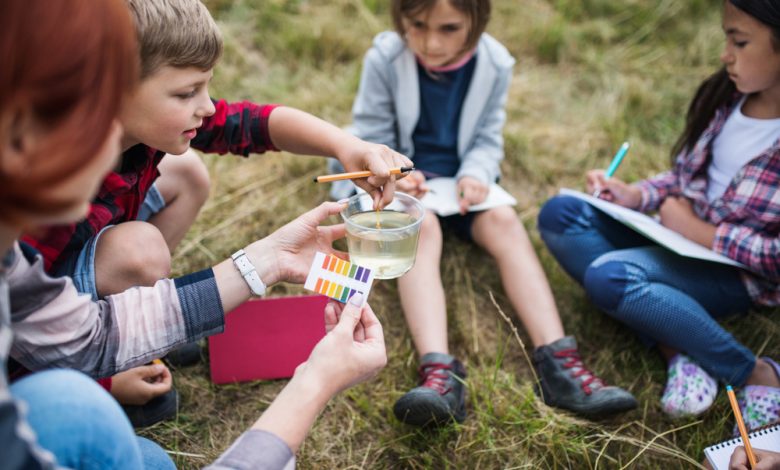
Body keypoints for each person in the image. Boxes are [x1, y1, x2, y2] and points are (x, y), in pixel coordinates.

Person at [2, 2, 387, 467]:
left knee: (186, 172)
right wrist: (104, 382)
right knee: (139, 252)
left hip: (60, 313)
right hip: (41, 343)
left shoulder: (22, 235)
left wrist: (343, 146)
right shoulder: (31, 231)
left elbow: (248, 122)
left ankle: (144, 333)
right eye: (187, 93)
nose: (206, 107)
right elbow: (36, 340)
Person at [335, 0, 637, 426]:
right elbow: (370, 132)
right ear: (400, 17)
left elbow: (487, 138)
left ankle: (562, 367)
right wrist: (399, 173)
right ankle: (439, 373)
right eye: (416, 25)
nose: (429, 41)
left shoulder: (495, 62)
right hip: (405, 184)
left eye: (448, 28)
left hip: (460, 185)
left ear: (477, 21)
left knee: (505, 222)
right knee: (422, 230)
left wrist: (477, 174)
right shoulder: (386, 56)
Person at [538, 0, 780, 427]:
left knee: (610, 276)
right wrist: (635, 195)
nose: (725, 54)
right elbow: (686, 179)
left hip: (734, 273)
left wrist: (697, 230)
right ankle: (680, 348)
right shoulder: (728, 98)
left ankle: (754, 373)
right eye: (727, 37)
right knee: (561, 213)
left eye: (739, 42)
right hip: (674, 239)